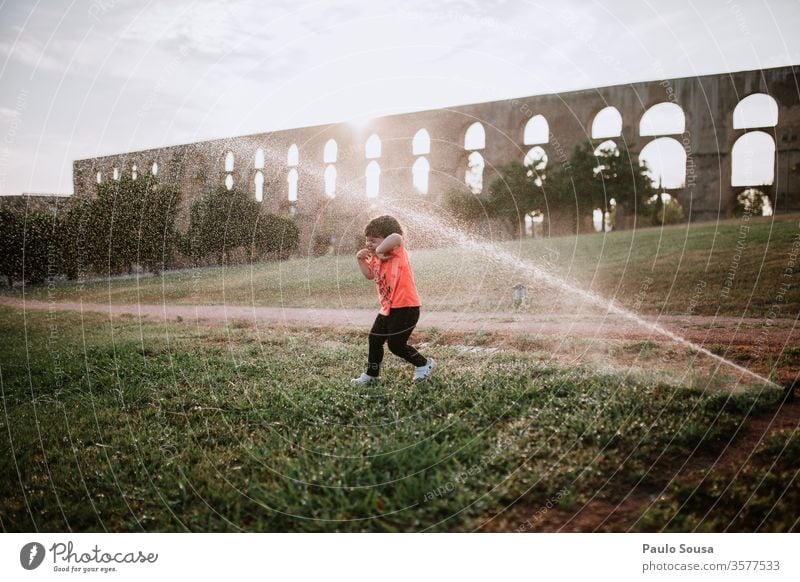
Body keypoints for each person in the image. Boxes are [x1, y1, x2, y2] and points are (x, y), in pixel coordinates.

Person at [351, 215, 436, 386]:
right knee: (374, 339)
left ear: (385, 241)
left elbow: (396, 237)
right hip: (388, 308)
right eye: (367, 240)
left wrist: (380, 249)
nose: (369, 244)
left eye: (373, 240)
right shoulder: (376, 257)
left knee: (396, 345)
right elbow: (369, 275)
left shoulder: (396, 251)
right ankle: (371, 375)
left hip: (406, 306)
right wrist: (361, 259)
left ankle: (424, 364)